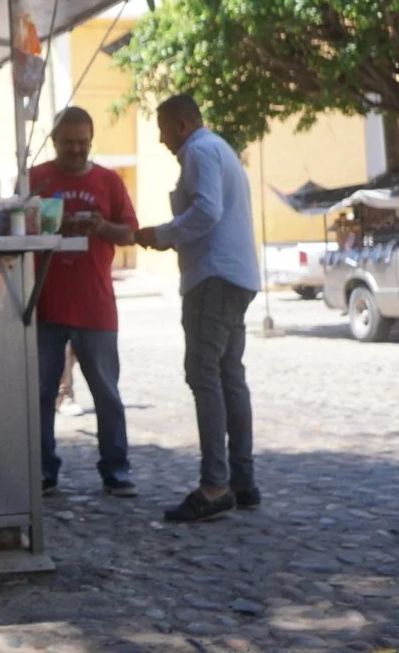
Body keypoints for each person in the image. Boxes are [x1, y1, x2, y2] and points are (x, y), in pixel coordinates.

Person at [135, 94, 261, 524]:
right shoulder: (220, 148)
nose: (161, 139)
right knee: (229, 376)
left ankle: (214, 485)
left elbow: (207, 210)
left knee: (204, 374)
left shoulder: (199, 150)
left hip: (213, 277)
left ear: (184, 123)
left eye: (164, 128)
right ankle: (242, 481)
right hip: (235, 275)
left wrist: (164, 234)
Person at [31, 106, 139, 498]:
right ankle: (43, 469)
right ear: (54, 140)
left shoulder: (108, 181)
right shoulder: (35, 179)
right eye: (68, 143)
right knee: (41, 392)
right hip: (43, 303)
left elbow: (130, 234)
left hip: (95, 304)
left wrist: (101, 227)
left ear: (91, 141)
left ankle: (116, 468)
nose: (76, 150)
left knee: (106, 392)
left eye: (83, 143)